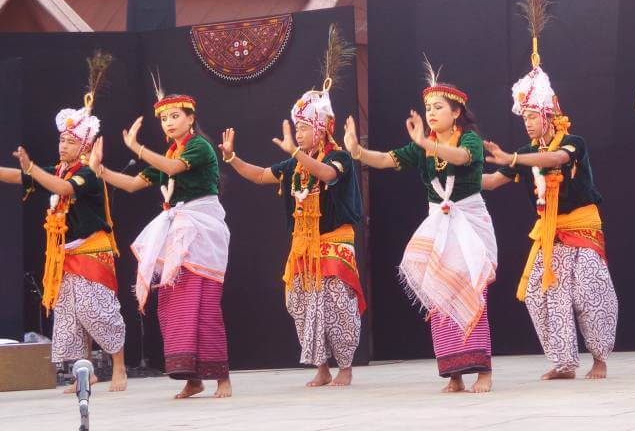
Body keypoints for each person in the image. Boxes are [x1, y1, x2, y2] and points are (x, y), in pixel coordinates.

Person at [482, 0, 617, 380]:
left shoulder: (572, 141)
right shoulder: (522, 152)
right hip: (549, 232)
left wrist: (514, 158)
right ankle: (563, 361)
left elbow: (557, 159)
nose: (526, 121)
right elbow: (492, 182)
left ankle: (600, 358)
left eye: (532, 115)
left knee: (589, 292)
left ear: (550, 114)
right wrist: (461, 172)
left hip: (581, 226)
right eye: (523, 117)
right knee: (543, 296)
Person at [219, 28, 365, 387]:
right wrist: (233, 158)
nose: (298, 134)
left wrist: (296, 152)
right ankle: (321, 367)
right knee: (302, 303)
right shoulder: (295, 166)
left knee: (335, 303)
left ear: (321, 128)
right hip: (303, 246)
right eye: (296, 129)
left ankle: (345, 366)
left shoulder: (338, 157)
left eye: (304, 128)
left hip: (334, 242)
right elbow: (260, 176)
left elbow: (329, 175)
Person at [342, 58, 497, 393]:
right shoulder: (422, 146)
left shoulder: (468, 139)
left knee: (472, 292)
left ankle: (483, 371)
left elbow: (462, 159)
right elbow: (386, 159)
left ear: (456, 112)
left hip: (468, 223)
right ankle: (454, 373)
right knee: (440, 296)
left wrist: (427, 144)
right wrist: (356, 151)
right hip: (438, 226)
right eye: (428, 107)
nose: (431, 113)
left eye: (438, 107)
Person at [91, 79, 232, 399]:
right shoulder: (169, 152)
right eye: (164, 119)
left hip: (203, 231)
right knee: (174, 305)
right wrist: (99, 170)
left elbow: (172, 167)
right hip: (179, 233)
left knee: (205, 305)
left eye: (175, 117)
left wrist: (137, 148)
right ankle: (192, 379)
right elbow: (130, 185)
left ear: (191, 118)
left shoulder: (199, 147)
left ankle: (222, 377)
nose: (169, 124)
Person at [0, 52, 127, 392]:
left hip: (91, 249)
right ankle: (85, 373)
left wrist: (32, 169)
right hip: (65, 255)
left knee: (97, 311)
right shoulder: (57, 169)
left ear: (83, 146)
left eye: (69, 141)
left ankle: (118, 366)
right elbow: (24, 177)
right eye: (61, 139)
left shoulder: (85, 173)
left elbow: (61, 188)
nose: (62, 145)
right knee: (71, 317)